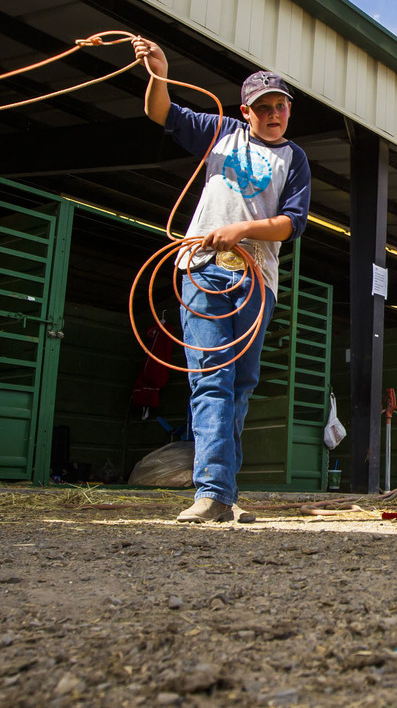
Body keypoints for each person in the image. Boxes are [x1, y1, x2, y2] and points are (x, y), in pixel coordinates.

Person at [133, 37, 311, 523]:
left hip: (257, 278)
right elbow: (161, 112)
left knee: (240, 385)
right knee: (213, 379)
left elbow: (291, 224)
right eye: (265, 107)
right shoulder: (222, 134)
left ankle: (223, 493)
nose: (274, 114)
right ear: (246, 111)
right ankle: (211, 492)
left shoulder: (294, 159)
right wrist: (158, 70)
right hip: (202, 267)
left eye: (282, 107)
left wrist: (241, 231)